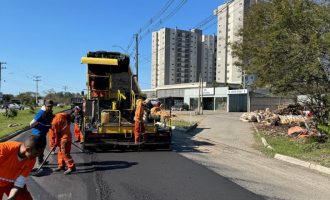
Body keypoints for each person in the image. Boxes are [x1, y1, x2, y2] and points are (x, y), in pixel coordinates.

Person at [0, 135, 46, 200]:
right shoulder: (3, 150)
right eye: (36, 153)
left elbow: (19, 183)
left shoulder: (31, 160)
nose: (37, 156)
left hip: (12, 182)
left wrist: (11, 198)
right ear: (27, 149)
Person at [30, 99, 54, 165]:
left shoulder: (49, 113)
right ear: (45, 106)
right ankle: (29, 165)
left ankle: (41, 161)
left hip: (43, 134)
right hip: (37, 134)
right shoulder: (41, 113)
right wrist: (41, 125)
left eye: (51, 106)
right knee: (35, 150)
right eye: (48, 106)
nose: (49, 108)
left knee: (42, 148)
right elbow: (31, 124)